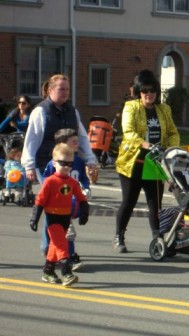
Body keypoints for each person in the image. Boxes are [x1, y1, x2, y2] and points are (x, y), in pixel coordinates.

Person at [114, 69, 180, 253]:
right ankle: (119, 235)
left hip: (155, 163)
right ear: (138, 92)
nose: (149, 94)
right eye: (145, 91)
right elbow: (128, 132)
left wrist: (170, 148)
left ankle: (157, 238)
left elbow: (173, 132)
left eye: (152, 90)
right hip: (133, 162)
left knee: (155, 202)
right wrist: (147, 145)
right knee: (129, 201)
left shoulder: (163, 109)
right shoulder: (131, 107)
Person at [29, 143, 89, 286]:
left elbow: (81, 198)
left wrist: (84, 212)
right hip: (53, 218)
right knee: (62, 246)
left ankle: (48, 272)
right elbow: (40, 201)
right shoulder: (50, 182)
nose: (67, 167)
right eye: (63, 163)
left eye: (70, 164)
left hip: (65, 219)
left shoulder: (72, 182)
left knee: (54, 246)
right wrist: (34, 218)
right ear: (54, 163)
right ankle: (67, 273)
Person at [21, 74, 97, 183]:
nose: (65, 92)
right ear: (50, 90)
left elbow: (82, 137)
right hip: (47, 164)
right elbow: (32, 139)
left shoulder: (73, 111)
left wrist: (90, 159)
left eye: (67, 89)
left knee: (69, 197)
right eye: (61, 89)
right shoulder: (41, 112)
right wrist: (29, 165)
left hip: (69, 164)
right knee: (53, 197)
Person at [42, 128, 91, 270]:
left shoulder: (79, 161)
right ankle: (69, 258)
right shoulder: (54, 163)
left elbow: (82, 178)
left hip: (73, 203)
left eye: (78, 141)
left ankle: (52, 261)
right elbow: (47, 181)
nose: (77, 144)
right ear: (62, 144)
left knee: (64, 232)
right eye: (73, 142)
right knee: (67, 232)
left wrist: (86, 189)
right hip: (58, 205)